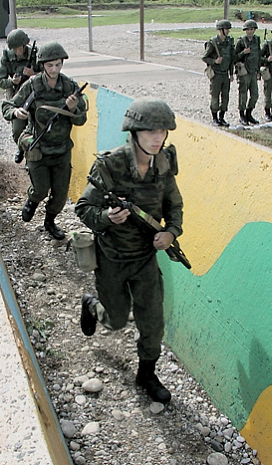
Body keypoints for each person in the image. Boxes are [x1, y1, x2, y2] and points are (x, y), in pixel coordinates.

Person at [75, 97, 184, 404]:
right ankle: (92, 305)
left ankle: (147, 374)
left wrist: (171, 232)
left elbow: (174, 205)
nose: (157, 138)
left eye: (162, 131)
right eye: (150, 131)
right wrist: (106, 218)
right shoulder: (109, 165)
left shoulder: (163, 165)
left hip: (144, 261)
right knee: (116, 321)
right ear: (134, 132)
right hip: (112, 259)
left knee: (153, 322)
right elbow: (83, 208)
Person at [1, 42, 87, 239]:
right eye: (50, 66)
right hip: (38, 147)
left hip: (61, 150)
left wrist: (73, 109)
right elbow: (7, 106)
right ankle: (33, 200)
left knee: (59, 196)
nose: (54, 69)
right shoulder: (32, 85)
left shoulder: (69, 87)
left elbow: (81, 120)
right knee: (40, 189)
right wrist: (16, 111)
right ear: (43, 65)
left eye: (58, 65)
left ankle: (50, 222)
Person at [0, 29, 40, 163]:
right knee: (17, 130)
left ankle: (30, 158)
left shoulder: (35, 55)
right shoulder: (7, 57)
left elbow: (49, 76)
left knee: (37, 128)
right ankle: (21, 148)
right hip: (18, 98)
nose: (18, 52)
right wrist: (12, 82)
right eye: (14, 49)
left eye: (19, 48)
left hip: (35, 96)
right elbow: (0, 80)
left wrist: (33, 74)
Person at [202, 19, 235, 127]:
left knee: (225, 96)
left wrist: (231, 73)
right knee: (215, 96)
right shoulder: (213, 42)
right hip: (216, 74)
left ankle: (222, 117)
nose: (228, 31)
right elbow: (204, 57)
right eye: (226, 29)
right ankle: (215, 117)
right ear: (221, 30)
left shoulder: (229, 42)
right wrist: (214, 61)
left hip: (225, 73)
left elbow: (231, 59)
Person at [233, 19, 261, 126]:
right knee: (243, 94)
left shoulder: (256, 40)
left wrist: (258, 70)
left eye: (251, 29)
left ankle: (249, 113)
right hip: (244, 72)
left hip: (253, 71)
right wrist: (243, 53)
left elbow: (258, 56)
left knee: (255, 95)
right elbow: (234, 57)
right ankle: (242, 115)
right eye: (248, 29)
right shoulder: (241, 41)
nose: (250, 31)